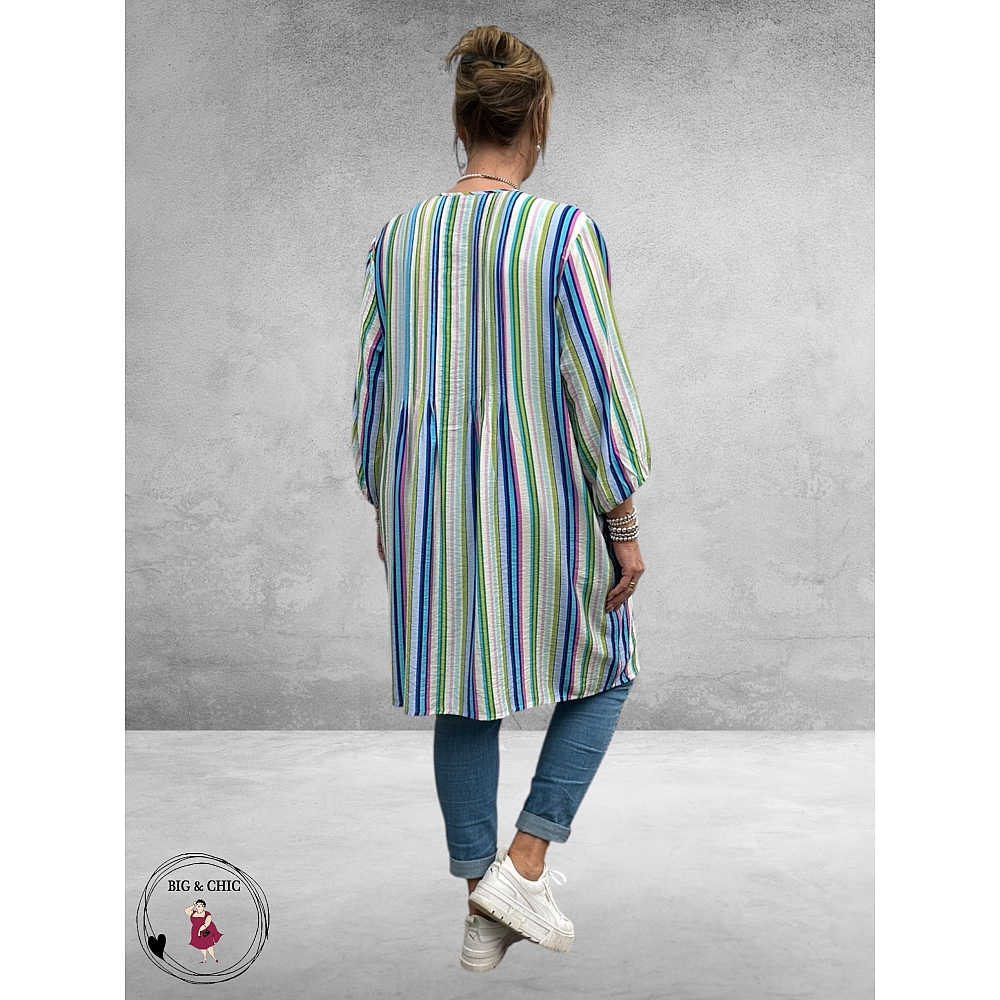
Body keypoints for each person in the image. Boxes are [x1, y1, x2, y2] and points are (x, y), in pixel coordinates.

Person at [351, 25, 652, 973]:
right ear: (538, 122)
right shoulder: (560, 233)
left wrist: (387, 502)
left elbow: (371, 385)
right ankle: (522, 864)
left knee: (462, 690)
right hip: (539, 501)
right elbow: (594, 383)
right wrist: (621, 520)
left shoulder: (397, 237)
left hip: (428, 507)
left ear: (462, 120)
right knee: (606, 666)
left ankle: (483, 902)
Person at [184, 899, 222, 963]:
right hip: (195, 931)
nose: (199, 906)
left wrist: (200, 930)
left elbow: (207, 923)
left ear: (203, 906)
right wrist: (193, 905)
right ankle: (205, 958)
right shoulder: (193, 913)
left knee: (209, 945)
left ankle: (214, 958)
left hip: (206, 931)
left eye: (201, 904)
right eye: (197, 904)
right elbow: (186, 910)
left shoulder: (207, 914)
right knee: (201, 946)